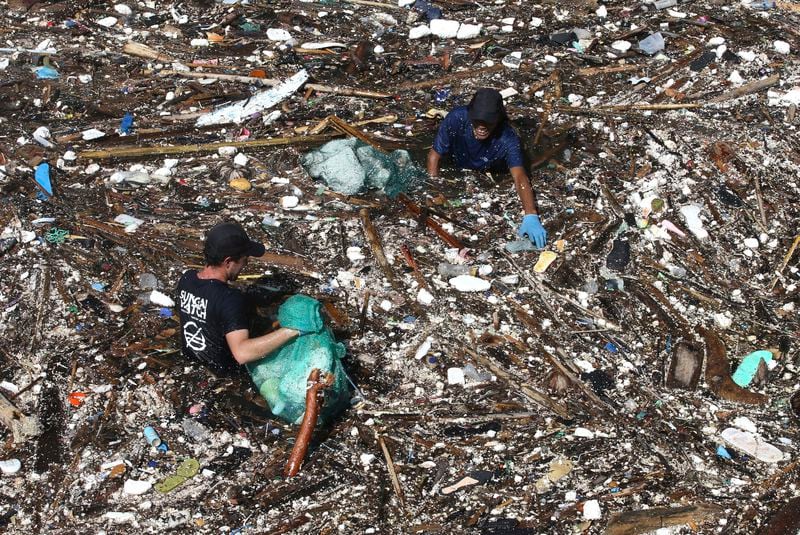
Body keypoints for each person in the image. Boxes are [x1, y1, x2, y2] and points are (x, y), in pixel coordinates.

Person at [426, 88, 547, 249]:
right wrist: (433, 186)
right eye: (477, 121)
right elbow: (434, 156)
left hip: (488, 167)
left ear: (497, 120)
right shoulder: (456, 118)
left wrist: (531, 214)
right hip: (458, 161)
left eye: (488, 122)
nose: (481, 127)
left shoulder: (507, 138)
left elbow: (519, 176)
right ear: (470, 116)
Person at [176, 221, 300, 374]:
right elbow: (242, 353)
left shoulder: (186, 279)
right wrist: (291, 331)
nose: (245, 264)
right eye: (244, 259)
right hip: (223, 375)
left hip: (191, 363)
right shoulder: (230, 299)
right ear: (228, 262)